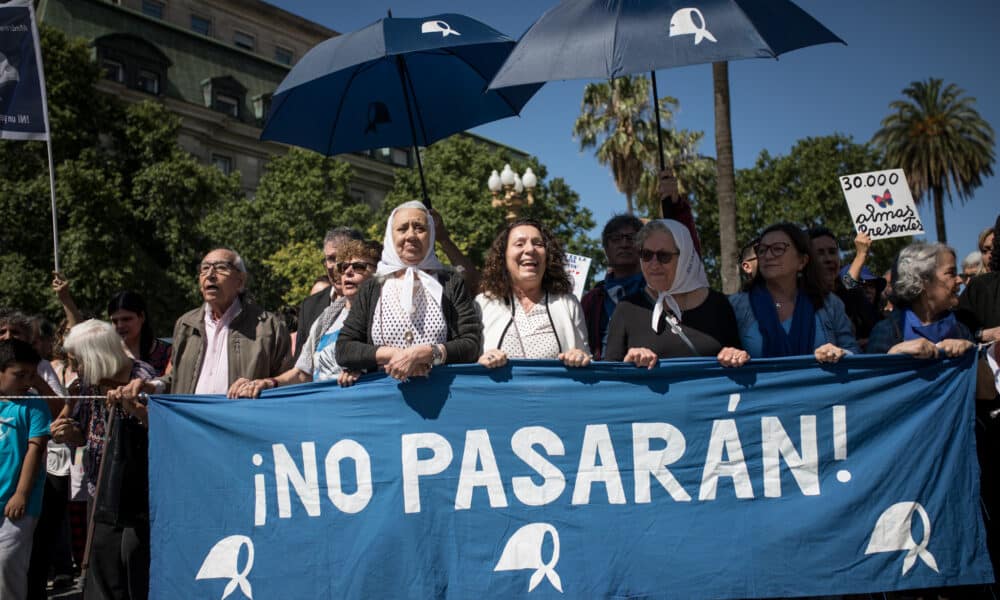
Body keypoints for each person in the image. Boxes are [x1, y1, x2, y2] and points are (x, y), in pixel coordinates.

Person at [49, 320, 157, 600]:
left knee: (136, 569)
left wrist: (129, 404)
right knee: (102, 573)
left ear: (97, 357)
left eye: (80, 361)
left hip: (139, 496)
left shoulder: (141, 375)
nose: (78, 369)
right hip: (101, 492)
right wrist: (67, 433)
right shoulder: (88, 383)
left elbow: (157, 425)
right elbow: (80, 432)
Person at [114, 248, 291, 399]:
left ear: (241, 281)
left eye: (221, 268)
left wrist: (260, 387)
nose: (210, 275)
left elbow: (286, 384)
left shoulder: (268, 327)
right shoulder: (186, 325)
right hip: (194, 429)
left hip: (242, 429)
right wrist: (151, 386)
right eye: (204, 269)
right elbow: (176, 378)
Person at [336, 200, 481, 382]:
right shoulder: (372, 287)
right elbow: (344, 348)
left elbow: (471, 344)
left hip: (441, 393)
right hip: (385, 397)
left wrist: (426, 353)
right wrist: (394, 355)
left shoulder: (450, 283)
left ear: (431, 235)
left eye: (420, 228)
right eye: (402, 229)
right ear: (390, 235)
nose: (411, 235)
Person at [234, 239, 380, 397]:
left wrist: (367, 371)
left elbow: (398, 360)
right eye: (343, 267)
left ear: (380, 273)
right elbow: (302, 374)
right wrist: (269, 383)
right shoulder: (327, 317)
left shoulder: (386, 316)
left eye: (358, 267)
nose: (347, 272)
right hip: (322, 408)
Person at [605, 220, 746, 368]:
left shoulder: (719, 305)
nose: (654, 264)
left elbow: (740, 367)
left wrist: (735, 355)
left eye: (663, 256)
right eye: (646, 255)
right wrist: (630, 361)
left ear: (685, 257)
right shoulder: (627, 308)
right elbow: (610, 377)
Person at [729, 223, 858, 361]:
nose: (768, 255)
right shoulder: (735, 305)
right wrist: (730, 354)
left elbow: (854, 352)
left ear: (802, 261)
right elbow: (717, 355)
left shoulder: (830, 304)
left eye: (778, 249)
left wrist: (840, 353)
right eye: (762, 250)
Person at [476, 219, 590, 369]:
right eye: (519, 244)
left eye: (538, 244)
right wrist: (481, 361)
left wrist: (580, 357)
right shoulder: (482, 304)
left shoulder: (568, 303)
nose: (530, 250)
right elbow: (466, 365)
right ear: (503, 257)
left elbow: (587, 360)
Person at [0, 339, 50, 600]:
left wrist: (21, 493)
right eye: (20, 375)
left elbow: (35, 449)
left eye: (32, 375)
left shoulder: (34, 405)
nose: (28, 382)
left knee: (9, 563)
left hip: (20, 504)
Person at [867, 242, 973, 357]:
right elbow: (870, 374)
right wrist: (893, 354)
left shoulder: (961, 331)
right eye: (951, 273)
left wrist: (972, 354)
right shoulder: (887, 331)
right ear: (922, 280)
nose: (959, 280)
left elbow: (986, 374)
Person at [294, 227, 364, 360]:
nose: (337, 266)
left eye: (343, 257)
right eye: (331, 259)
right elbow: (300, 367)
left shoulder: (377, 300)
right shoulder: (310, 307)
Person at [808, 228, 883, 351]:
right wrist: (860, 255)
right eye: (820, 253)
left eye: (832, 252)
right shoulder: (795, 299)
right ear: (804, 260)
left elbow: (849, 284)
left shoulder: (845, 296)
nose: (828, 259)